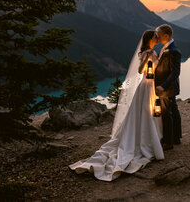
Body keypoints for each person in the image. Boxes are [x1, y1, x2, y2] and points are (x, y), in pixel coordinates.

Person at [69, 30, 163, 181]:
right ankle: (144, 140)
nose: (157, 38)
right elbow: (140, 70)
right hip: (145, 86)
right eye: (155, 37)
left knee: (149, 111)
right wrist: (147, 59)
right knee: (144, 111)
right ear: (149, 39)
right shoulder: (145, 52)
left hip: (151, 86)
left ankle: (150, 137)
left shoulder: (154, 51)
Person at [155, 24, 182, 151]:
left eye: (159, 35)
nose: (157, 38)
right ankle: (176, 138)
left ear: (166, 35)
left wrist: (163, 85)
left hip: (167, 88)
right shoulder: (166, 48)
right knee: (174, 111)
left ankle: (168, 142)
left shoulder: (173, 50)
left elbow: (175, 72)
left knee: (167, 114)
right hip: (168, 87)